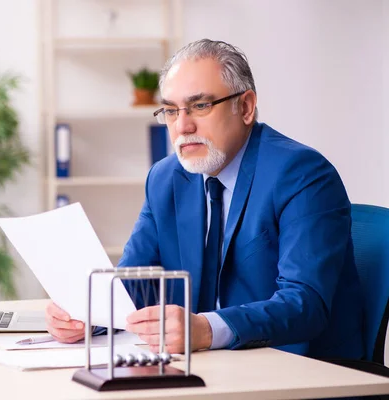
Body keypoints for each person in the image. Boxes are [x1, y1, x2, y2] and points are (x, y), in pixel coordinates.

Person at [44, 39, 364, 360]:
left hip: (301, 370)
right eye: (171, 110)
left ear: (246, 107)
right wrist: (89, 315)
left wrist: (208, 329)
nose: (183, 125)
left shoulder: (302, 174)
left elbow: (304, 304)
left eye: (200, 106)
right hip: (210, 367)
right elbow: (135, 281)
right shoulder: (165, 178)